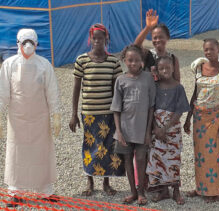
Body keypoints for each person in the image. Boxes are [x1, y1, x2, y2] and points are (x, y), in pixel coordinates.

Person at [0, 28, 61, 207]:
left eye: (31, 41)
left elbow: (52, 92)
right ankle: (15, 192)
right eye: (25, 41)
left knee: (42, 153)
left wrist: (56, 115)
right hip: (17, 119)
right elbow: (1, 93)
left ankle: (46, 191)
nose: (28, 45)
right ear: (18, 43)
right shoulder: (9, 65)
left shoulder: (44, 65)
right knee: (17, 154)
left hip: (40, 118)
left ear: (36, 43)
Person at [69, 23, 125, 197]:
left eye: (101, 38)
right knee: (90, 147)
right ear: (90, 39)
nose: (98, 41)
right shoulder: (82, 61)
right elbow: (77, 88)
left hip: (108, 113)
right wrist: (73, 114)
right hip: (89, 114)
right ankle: (90, 181)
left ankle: (106, 183)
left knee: (107, 147)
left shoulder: (114, 62)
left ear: (106, 39)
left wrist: (120, 113)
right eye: (95, 38)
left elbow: (116, 90)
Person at [184, 39, 219, 202]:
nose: (208, 52)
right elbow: (195, 94)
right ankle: (200, 188)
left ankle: (213, 191)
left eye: (212, 49)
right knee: (200, 155)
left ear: (218, 50)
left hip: (216, 117)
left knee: (214, 154)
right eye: (206, 49)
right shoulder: (198, 68)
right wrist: (188, 118)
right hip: (199, 117)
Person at [111, 44, 156, 205]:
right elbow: (116, 109)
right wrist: (119, 131)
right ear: (124, 60)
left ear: (142, 61)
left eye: (137, 60)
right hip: (124, 129)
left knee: (141, 159)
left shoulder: (148, 78)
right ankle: (133, 192)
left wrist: (148, 131)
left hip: (142, 129)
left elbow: (151, 106)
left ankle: (141, 192)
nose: (133, 63)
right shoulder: (120, 80)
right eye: (129, 60)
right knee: (128, 160)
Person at [146, 56, 190, 205]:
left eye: (168, 68)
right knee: (158, 160)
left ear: (173, 68)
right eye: (161, 68)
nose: (165, 70)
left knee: (173, 160)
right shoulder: (154, 87)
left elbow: (179, 111)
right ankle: (163, 191)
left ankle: (176, 190)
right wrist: (156, 128)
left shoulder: (178, 87)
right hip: (156, 130)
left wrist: (165, 128)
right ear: (157, 70)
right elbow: (150, 109)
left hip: (172, 130)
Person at [134, 9, 180, 82]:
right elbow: (136, 47)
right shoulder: (147, 55)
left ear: (167, 38)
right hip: (149, 93)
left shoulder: (173, 59)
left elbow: (177, 81)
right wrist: (148, 27)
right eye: (155, 38)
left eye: (161, 37)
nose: (158, 40)